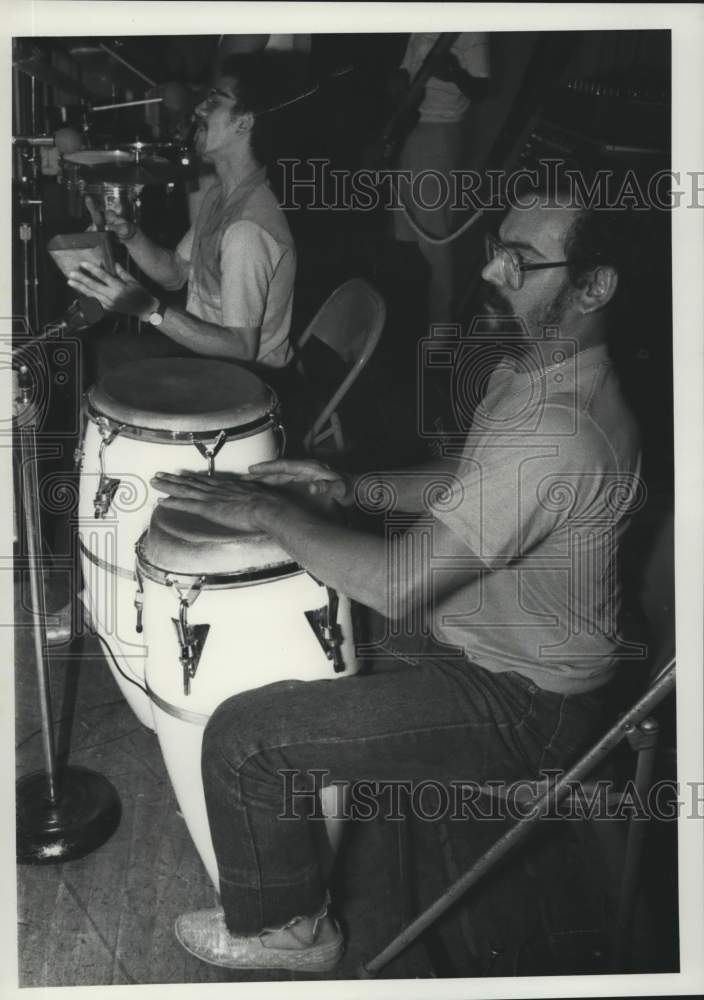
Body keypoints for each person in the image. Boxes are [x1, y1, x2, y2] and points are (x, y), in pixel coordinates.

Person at [150, 191, 642, 971]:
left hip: (527, 705)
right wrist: (349, 487)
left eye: (519, 260)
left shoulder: (559, 428)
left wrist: (264, 512)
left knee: (245, 740)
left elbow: (399, 586)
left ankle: (291, 932)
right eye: (495, 244)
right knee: (299, 634)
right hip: (481, 641)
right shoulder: (544, 371)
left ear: (594, 287)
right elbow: (473, 477)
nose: (489, 269)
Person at [67, 52, 297, 374]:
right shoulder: (223, 195)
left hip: (246, 379)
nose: (200, 108)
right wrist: (130, 234)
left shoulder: (246, 230)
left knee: (106, 365)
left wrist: (147, 307)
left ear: (244, 122)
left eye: (215, 101)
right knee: (101, 354)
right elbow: (176, 274)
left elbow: (242, 348)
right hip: (212, 356)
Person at [390, 32, 490, 325]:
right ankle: (408, 316)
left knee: (432, 234)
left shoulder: (471, 28)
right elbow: (405, 69)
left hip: (440, 132)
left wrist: (454, 72)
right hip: (408, 126)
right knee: (404, 229)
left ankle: (441, 326)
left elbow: (481, 88)